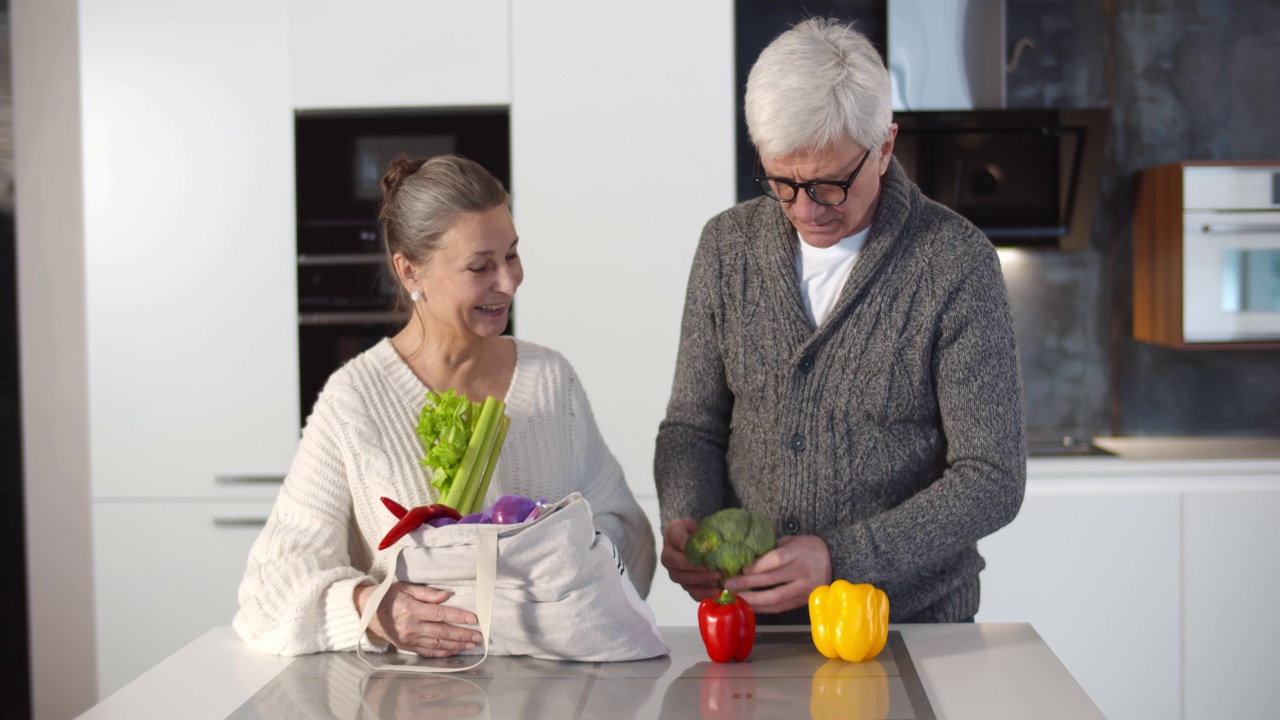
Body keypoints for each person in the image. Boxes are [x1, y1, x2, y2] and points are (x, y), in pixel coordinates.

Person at [654, 18, 1026, 625]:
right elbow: (693, 427)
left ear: (884, 146)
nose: (804, 210)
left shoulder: (956, 263)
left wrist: (841, 556)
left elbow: (992, 479)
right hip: (750, 624)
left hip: (906, 623)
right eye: (782, 182)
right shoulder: (726, 248)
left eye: (829, 185)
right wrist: (685, 518)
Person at [235, 155, 656, 657]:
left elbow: (626, 532)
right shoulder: (356, 401)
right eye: (480, 267)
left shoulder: (550, 381)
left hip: (555, 692)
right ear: (410, 270)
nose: (508, 281)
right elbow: (270, 588)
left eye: (513, 255)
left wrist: (562, 562)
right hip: (419, 697)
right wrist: (373, 608)